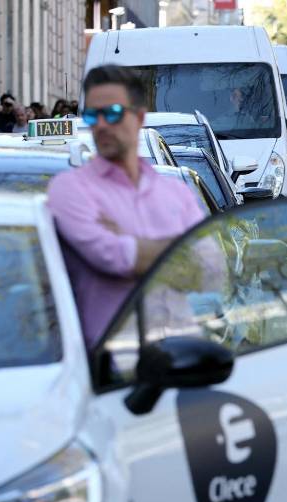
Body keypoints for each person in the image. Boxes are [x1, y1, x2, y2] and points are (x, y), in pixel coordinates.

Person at [47, 64, 205, 349]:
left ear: (140, 117)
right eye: (92, 115)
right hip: (115, 358)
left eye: (113, 113)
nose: (101, 125)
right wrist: (178, 250)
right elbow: (114, 257)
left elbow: (210, 271)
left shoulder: (176, 192)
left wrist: (125, 236)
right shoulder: (70, 189)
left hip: (185, 354)